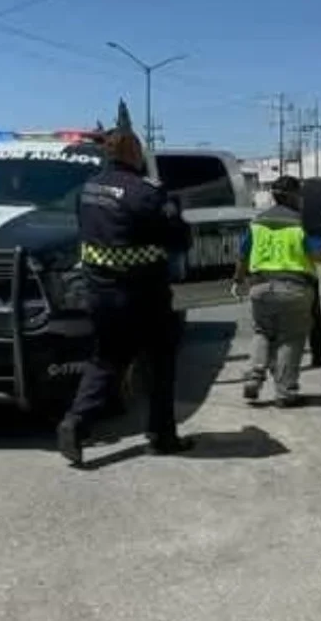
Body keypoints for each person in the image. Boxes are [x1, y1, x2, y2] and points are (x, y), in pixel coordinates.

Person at [57, 124, 194, 466]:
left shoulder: (88, 190)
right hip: (144, 295)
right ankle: (161, 436)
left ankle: (75, 423)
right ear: (134, 153)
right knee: (160, 363)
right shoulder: (146, 193)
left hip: (100, 293)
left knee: (106, 360)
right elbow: (179, 240)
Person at [233, 176, 321, 407]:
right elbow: (319, 255)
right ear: (295, 197)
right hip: (294, 289)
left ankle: (253, 376)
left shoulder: (257, 222)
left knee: (262, 332)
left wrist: (238, 280)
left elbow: (243, 256)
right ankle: (285, 392)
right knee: (290, 338)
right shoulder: (301, 223)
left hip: (260, 287)